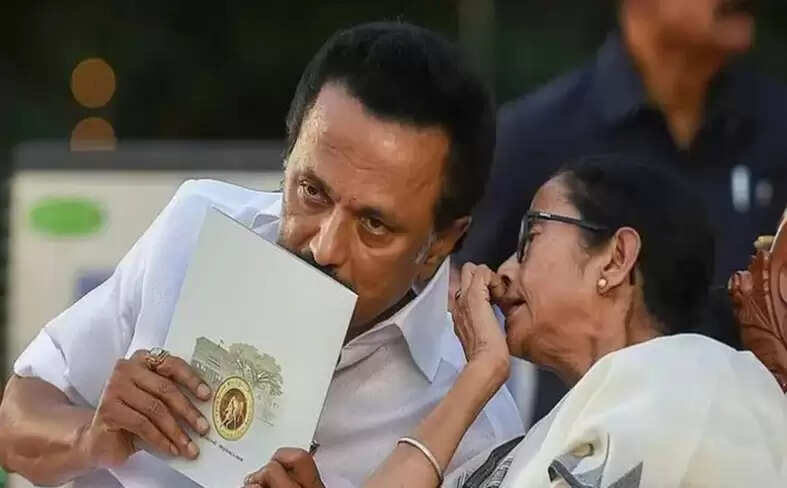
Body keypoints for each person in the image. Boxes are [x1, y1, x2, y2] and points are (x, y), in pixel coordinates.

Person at [0, 22, 524, 487]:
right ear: (288, 154)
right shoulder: (198, 227)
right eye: (312, 192)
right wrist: (89, 439)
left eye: (374, 225)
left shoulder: (472, 420)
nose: (324, 246)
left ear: (442, 242)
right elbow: (16, 419)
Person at [248, 155, 787, 487]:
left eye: (531, 238)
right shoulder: (542, 433)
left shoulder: (695, 385)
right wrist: (479, 374)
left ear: (616, 259)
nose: (504, 270)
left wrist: (480, 374)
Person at [454, 0, 787, 423]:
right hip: (578, 444)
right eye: (528, 241)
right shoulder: (535, 136)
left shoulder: (779, 129)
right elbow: (463, 289)